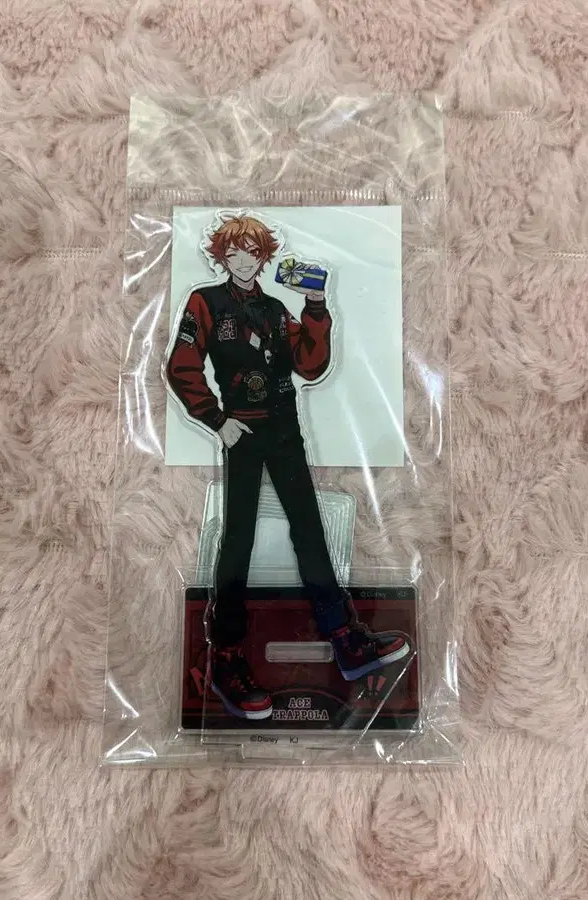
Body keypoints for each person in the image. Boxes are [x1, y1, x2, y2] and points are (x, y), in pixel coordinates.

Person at [167, 214, 410, 720]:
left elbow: (310, 365)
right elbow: (181, 365)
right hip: (242, 431)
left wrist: (316, 305)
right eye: (234, 252)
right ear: (221, 257)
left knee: (309, 529)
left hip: (285, 430)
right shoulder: (205, 302)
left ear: (264, 258)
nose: (243, 261)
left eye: (253, 252)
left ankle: (343, 638)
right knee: (238, 539)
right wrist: (216, 419)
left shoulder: (276, 310)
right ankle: (225, 655)